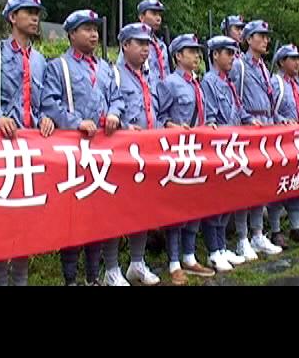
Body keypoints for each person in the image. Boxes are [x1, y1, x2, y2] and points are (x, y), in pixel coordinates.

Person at [40, 9, 125, 285]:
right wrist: (75, 122)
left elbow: (117, 98)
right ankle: (70, 279)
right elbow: (49, 102)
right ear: (72, 34)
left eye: (95, 29)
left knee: (98, 216)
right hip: (74, 152)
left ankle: (93, 277)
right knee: (73, 217)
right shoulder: (59, 67)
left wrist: (114, 114)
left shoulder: (105, 68)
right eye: (87, 29)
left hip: (103, 151)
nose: (94, 35)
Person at [0, 0, 55, 286]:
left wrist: (46, 118)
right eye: (28, 12)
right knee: (1, 217)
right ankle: (0, 280)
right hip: (0, 147)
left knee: (26, 219)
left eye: (37, 13)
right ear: (12, 17)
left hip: (30, 150)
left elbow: (44, 103)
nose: (35, 18)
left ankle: (20, 280)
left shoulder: (40, 60)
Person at [157, 33, 217, 285]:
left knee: (196, 204)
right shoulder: (169, 83)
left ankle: (189, 256)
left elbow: (204, 114)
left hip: (198, 152)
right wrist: (170, 125)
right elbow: (158, 117)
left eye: (197, 51)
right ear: (178, 56)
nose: (196, 56)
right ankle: (173, 262)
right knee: (177, 208)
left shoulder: (197, 83)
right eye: (190, 51)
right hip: (177, 154)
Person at [107, 22, 162, 286]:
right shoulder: (114, 75)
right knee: (116, 211)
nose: (145, 48)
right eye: (139, 43)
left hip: (148, 153)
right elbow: (107, 109)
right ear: (125, 45)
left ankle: (137, 263)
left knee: (144, 210)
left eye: (147, 43)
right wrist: (122, 126)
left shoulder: (149, 77)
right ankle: (111, 268)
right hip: (122, 154)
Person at [228, 20, 284, 257]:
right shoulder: (239, 66)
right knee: (244, 186)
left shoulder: (263, 67)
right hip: (249, 129)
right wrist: (246, 120)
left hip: (266, 127)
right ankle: (242, 238)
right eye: (260, 36)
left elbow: (270, 101)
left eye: (266, 36)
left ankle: (258, 234)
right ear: (249, 39)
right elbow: (234, 98)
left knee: (262, 185)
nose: (265, 40)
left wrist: (280, 120)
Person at [200, 35, 252, 272]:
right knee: (215, 202)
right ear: (215, 55)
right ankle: (213, 251)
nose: (233, 58)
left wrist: (250, 121)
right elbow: (211, 116)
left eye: (234, 53)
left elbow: (239, 110)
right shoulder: (209, 82)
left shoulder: (229, 82)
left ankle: (222, 247)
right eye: (228, 53)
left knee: (228, 200)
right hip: (218, 148)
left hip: (234, 146)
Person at [270, 44, 299, 245]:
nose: (297, 62)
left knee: (298, 184)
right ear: (281, 62)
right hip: (282, 144)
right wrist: (282, 121)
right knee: (278, 185)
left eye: (298, 58)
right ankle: (275, 230)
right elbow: (270, 111)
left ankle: (295, 228)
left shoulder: (297, 85)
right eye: (292, 58)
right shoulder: (276, 83)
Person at [137, 0, 170, 89]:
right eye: (154, 14)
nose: (158, 18)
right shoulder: (134, 44)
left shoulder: (161, 46)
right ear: (141, 17)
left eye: (159, 14)